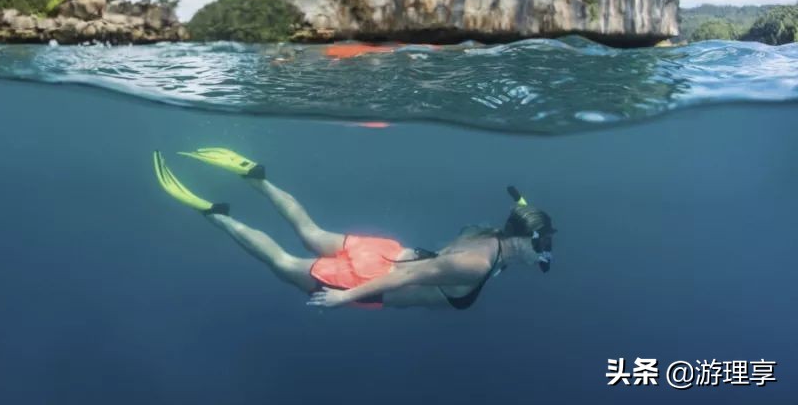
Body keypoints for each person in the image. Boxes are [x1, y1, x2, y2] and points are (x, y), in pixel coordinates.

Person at [153, 148, 556, 310]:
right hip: (374, 277)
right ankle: (215, 213)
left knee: (310, 232)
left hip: (387, 250)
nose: (542, 254)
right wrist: (343, 299)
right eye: (540, 246)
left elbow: (513, 224)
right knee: (283, 263)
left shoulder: (489, 235)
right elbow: (407, 277)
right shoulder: (475, 265)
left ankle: (256, 178)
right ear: (523, 239)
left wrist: (524, 210)